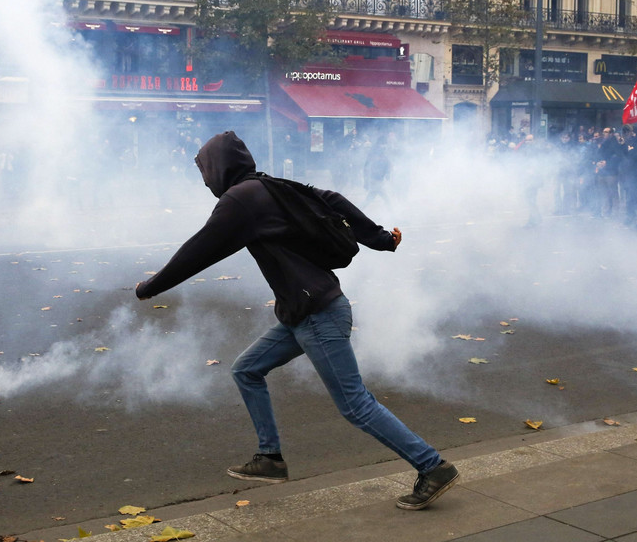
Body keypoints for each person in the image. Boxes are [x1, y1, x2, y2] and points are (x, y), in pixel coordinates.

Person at [134, 131, 459, 510]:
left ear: (218, 168)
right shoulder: (271, 186)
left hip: (317, 314)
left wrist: (152, 286)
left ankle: (432, 466)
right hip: (303, 312)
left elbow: (199, 249)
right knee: (246, 370)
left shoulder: (240, 200)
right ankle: (270, 459)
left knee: (355, 405)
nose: (205, 180)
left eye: (205, 172)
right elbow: (332, 201)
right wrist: (381, 238)